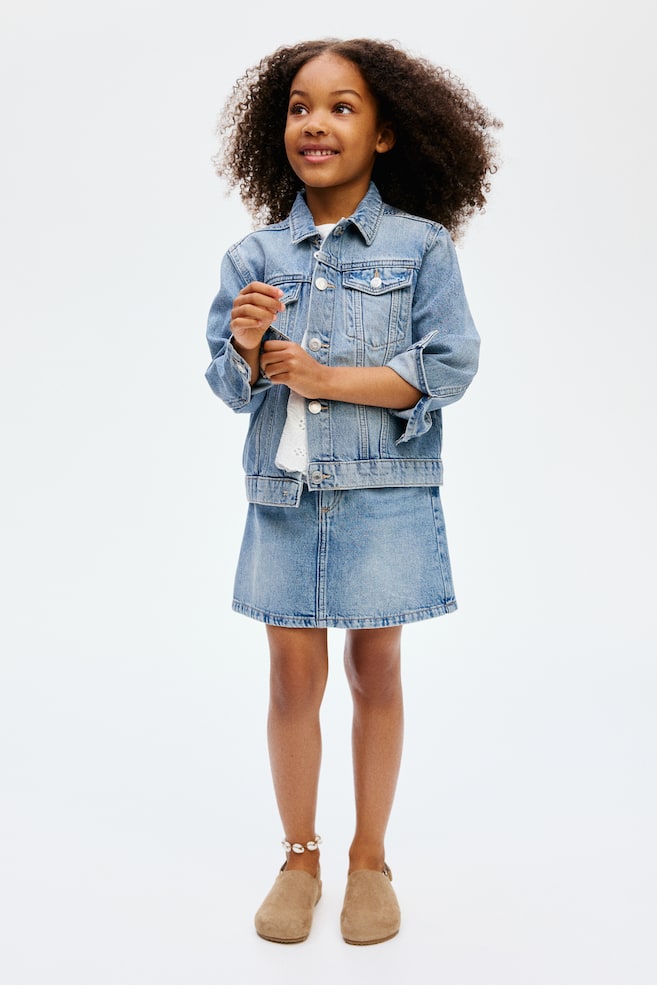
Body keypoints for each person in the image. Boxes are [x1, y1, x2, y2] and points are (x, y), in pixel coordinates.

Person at [205, 38, 500, 945]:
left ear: (383, 133)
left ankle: (369, 859)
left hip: (384, 492)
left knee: (376, 672)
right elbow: (227, 386)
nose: (315, 123)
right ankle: (300, 858)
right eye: (299, 107)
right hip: (285, 496)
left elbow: (449, 365)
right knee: (291, 681)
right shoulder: (253, 253)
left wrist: (327, 378)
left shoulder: (421, 247)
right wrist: (246, 345)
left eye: (341, 106)